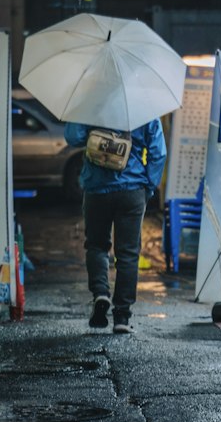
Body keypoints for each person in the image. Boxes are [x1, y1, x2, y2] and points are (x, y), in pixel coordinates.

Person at [64, 118, 166, 334]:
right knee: (128, 253)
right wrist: (148, 186)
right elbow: (159, 153)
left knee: (97, 245)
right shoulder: (144, 106)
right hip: (132, 189)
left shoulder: (93, 102)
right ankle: (121, 315)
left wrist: (81, 113)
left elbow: (73, 137)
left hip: (96, 188)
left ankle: (101, 293)